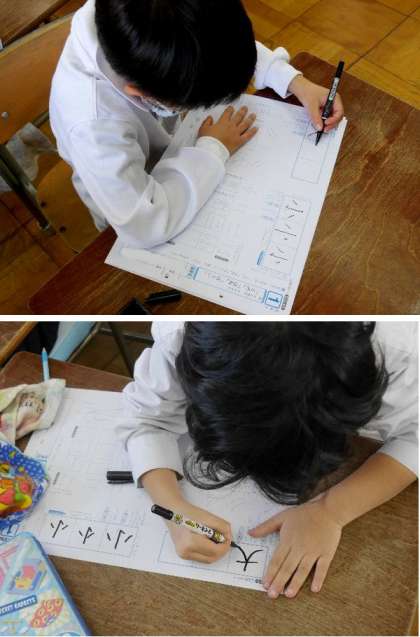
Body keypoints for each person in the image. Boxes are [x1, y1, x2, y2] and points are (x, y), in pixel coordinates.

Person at [118, 321, 418, 598]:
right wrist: (173, 508)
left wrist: (331, 510)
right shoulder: (183, 337)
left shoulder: (403, 357)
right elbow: (147, 417)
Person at [50, 0, 344, 248]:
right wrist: (213, 148)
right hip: (129, 199)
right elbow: (145, 223)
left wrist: (294, 82)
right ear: (139, 93)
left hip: (175, 145)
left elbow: (212, 48)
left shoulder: (141, 22)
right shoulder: (93, 127)